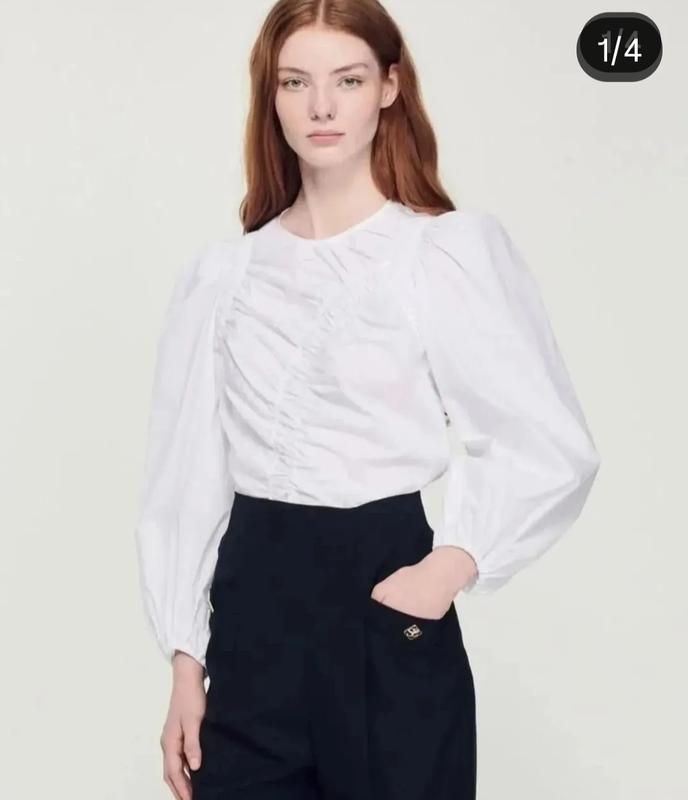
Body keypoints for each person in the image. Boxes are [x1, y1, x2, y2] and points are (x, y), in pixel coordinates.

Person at [134, 2, 601, 799]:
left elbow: (548, 441)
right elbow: (188, 476)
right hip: (251, 619)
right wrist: (185, 658)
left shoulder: (437, 254)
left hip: (384, 597)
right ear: (271, 95)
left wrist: (448, 567)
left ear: (388, 86)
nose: (321, 107)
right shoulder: (225, 278)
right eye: (296, 82)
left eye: (346, 81)